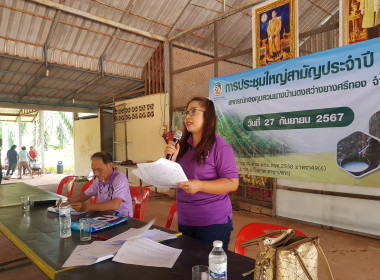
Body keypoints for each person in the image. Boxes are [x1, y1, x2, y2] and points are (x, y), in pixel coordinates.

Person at [164, 97, 239, 250]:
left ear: (208, 116)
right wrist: (170, 161)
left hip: (213, 222)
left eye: (194, 111)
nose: (187, 116)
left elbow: (232, 183)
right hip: (185, 218)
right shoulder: (182, 145)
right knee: (189, 266)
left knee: (211, 269)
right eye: (186, 112)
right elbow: (175, 177)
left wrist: (199, 185)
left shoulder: (221, 147)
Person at [58, 152, 133, 217]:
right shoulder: (99, 180)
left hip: (122, 219)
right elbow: (84, 195)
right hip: (104, 216)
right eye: (93, 169)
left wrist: (86, 206)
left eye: (99, 170)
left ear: (110, 165)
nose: (96, 173)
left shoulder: (120, 179)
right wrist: (67, 201)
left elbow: (115, 204)